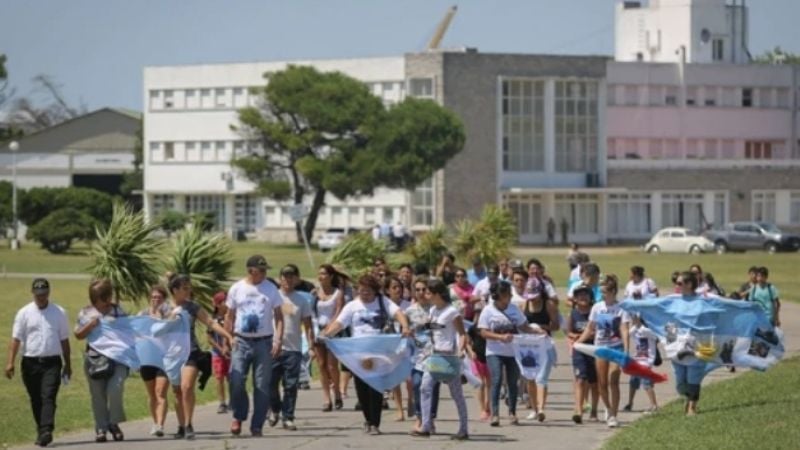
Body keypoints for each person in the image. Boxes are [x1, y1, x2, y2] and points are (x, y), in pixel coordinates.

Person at [320, 274, 410, 435]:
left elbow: (398, 313)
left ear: (375, 291)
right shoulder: (352, 306)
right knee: (362, 389)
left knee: (375, 388)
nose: (365, 294)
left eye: (368, 291)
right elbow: (340, 323)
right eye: (361, 291)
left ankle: (375, 423)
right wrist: (327, 334)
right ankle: (368, 419)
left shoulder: (383, 302)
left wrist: (404, 326)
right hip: (358, 354)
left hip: (379, 352)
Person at [6, 278, 71, 448]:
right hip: (30, 362)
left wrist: (68, 364)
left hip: (52, 362)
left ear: (48, 293)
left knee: (48, 396)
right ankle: (41, 430)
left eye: (44, 294)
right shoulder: (24, 313)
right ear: (33, 293)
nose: (41, 297)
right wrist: (10, 362)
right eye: (38, 294)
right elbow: (16, 339)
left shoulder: (59, 312)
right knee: (36, 399)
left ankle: (47, 430)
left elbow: (64, 340)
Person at [168, 274, 234, 439]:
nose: (188, 291)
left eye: (189, 287)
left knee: (186, 386)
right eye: (184, 288)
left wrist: (228, 336)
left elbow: (210, 323)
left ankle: (189, 424)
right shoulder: (164, 308)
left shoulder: (192, 307)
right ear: (174, 290)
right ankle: (181, 425)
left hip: (191, 351)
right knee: (177, 391)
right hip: (170, 354)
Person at [226, 255, 285, 437]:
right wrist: (228, 338)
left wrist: (278, 339)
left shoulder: (271, 288)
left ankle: (257, 424)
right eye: (262, 270)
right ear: (251, 270)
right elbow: (229, 315)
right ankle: (239, 414)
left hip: (264, 341)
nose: (265, 273)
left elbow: (279, 316)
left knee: (261, 385)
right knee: (236, 381)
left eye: (266, 270)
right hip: (241, 340)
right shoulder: (237, 288)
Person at [478, 281, 546, 427]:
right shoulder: (488, 311)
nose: (509, 296)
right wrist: (500, 337)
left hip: (513, 352)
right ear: (497, 295)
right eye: (506, 294)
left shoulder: (514, 309)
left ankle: (512, 412)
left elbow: (524, 327)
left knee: (512, 383)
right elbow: (483, 332)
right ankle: (495, 414)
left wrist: (538, 331)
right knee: (496, 380)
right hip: (494, 351)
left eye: (509, 293)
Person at [410, 279, 469, 440]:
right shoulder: (434, 310)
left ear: (437, 294)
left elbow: (462, 333)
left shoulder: (452, 312)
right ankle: (426, 425)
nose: (426, 295)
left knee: (456, 394)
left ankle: (463, 429)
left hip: (449, 356)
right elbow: (436, 327)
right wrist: (419, 328)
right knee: (425, 387)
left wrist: (461, 349)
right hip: (434, 355)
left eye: (429, 292)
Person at [74, 279, 129, 443]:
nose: (104, 302)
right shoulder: (85, 313)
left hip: (118, 359)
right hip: (95, 359)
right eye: (99, 298)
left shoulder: (117, 311)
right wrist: (91, 325)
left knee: (115, 389)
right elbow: (78, 335)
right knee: (97, 395)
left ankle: (114, 423)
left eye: (105, 298)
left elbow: (129, 331)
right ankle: (101, 428)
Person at [576, 275, 630, 428]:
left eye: (605, 292)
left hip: (616, 347)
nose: (602, 295)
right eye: (600, 292)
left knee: (614, 381)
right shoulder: (597, 307)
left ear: (613, 291)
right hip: (600, 347)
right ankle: (608, 408)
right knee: (602, 383)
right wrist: (578, 341)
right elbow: (590, 328)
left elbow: (624, 329)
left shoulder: (621, 308)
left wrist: (626, 350)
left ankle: (614, 414)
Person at [269, 265, 314, 431]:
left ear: (297, 279)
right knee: (270, 384)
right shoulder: (272, 297)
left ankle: (288, 417)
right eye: (285, 276)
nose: (288, 280)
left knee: (291, 385)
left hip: (293, 348)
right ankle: (275, 408)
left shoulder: (302, 300)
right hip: (273, 347)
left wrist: (311, 346)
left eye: (291, 277)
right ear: (280, 278)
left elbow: (308, 325)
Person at [520, 271, 559, 422]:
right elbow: (521, 325)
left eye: (535, 295)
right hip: (528, 346)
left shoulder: (548, 305)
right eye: (530, 295)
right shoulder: (524, 304)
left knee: (541, 378)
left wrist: (541, 327)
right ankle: (534, 408)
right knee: (530, 378)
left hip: (545, 345)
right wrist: (530, 328)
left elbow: (555, 326)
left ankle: (541, 408)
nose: (533, 299)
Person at [405, 276, 441, 430]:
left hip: (435, 352)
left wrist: (425, 325)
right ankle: (420, 417)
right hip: (417, 354)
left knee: (433, 387)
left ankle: (430, 418)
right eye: (417, 289)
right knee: (418, 384)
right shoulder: (409, 310)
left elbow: (443, 326)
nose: (420, 292)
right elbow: (404, 331)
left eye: (424, 289)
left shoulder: (436, 308)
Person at [671, 271, 707, 416]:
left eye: (680, 283)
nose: (677, 285)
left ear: (689, 284)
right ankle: (688, 397)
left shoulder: (702, 302)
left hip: (695, 345)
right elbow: (669, 320)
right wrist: (670, 342)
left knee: (693, 377)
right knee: (680, 383)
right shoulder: (674, 301)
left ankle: (692, 406)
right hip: (677, 346)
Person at [139, 285, 172, 436]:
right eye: (153, 297)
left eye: (159, 297)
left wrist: (160, 318)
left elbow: (171, 333)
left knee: (160, 392)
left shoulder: (170, 315)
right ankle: (155, 421)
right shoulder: (142, 314)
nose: (155, 300)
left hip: (164, 358)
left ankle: (160, 425)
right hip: (147, 358)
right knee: (152, 394)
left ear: (164, 299)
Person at [312, 264, 346, 412]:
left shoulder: (338, 293)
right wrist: (316, 330)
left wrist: (330, 328)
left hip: (333, 332)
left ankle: (337, 392)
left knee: (332, 365)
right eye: (319, 274)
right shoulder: (314, 293)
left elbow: (339, 312)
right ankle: (326, 398)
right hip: (318, 330)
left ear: (331, 276)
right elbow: (312, 313)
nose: (321, 277)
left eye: (324, 274)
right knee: (321, 364)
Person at [566, 284, 598, 424]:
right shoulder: (573, 313)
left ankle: (594, 410)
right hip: (579, 349)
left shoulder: (595, 312)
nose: (583, 297)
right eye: (579, 295)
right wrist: (574, 336)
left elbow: (599, 331)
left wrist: (591, 335)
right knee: (580, 379)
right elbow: (568, 331)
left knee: (594, 382)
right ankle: (578, 410)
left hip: (594, 348)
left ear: (591, 297)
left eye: (585, 295)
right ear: (575, 299)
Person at [385, 276, 411, 421]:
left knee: (409, 379)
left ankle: (411, 399)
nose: (397, 290)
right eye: (394, 287)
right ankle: (399, 409)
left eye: (399, 287)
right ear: (388, 290)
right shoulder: (384, 306)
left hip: (407, 345)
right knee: (395, 379)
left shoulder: (408, 305)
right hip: (391, 345)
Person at [622, 313, 659, 414]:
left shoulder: (646, 330)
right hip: (637, 360)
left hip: (646, 362)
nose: (632, 319)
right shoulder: (634, 330)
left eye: (634, 317)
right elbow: (627, 333)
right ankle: (630, 403)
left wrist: (642, 325)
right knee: (633, 383)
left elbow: (656, 337)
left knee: (647, 384)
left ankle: (654, 405)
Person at [207, 291, 231, 415]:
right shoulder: (213, 320)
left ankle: (233, 399)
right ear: (217, 304)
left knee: (232, 377)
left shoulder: (232, 317)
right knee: (219, 377)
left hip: (232, 352)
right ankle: (222, 402)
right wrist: (220, 348)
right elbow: (209, 337)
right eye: (223, 301)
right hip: (218, 353)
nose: (227, 304)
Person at [466, 303, 490, 422]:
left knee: (489, 384)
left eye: (481, 312)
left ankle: (488, 405)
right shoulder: (472, 328)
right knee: (480, 383)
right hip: (477, 358)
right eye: (477, 312)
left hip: (490, 358)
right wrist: (471, 353)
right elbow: (467, 342)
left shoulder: (490, 327)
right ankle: (482, 409)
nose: (479, 315)